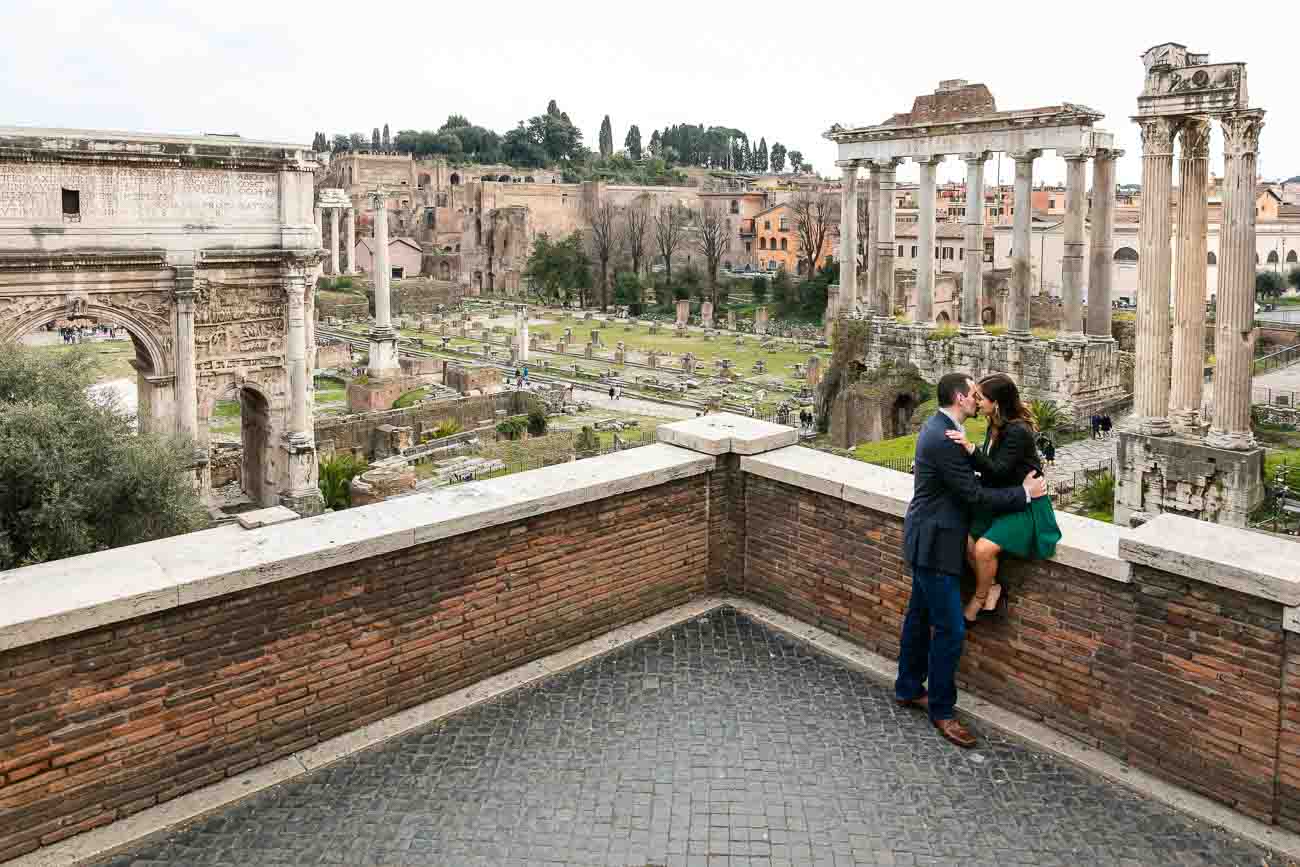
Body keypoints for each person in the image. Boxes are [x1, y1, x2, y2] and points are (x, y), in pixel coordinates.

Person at [896, 373, 1045, 749]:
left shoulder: (941, 429)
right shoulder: (944, 438)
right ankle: (942, 711)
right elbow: (974, 495)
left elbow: (976, 479)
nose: (977, 400)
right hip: (937, 543)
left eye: (982, 395)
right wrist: (1024, 495)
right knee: (950, 630)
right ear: (960, 398)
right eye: (973, 394)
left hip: (928, 537)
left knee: (918, 616)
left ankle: (909, 687)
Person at [946, 372, 1062, 626]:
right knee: (963, 538)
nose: (976, 401)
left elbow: (997, 469)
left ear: (996, 402)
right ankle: (993, 586)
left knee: (983, 548)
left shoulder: (1017, 431)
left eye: (980, 397)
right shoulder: (995, 425)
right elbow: (992, 471)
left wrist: (970, 448)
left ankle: (978, 599)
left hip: (1027, 504)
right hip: (1006, 498)